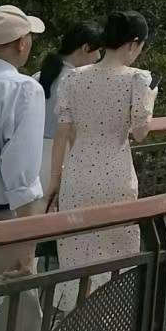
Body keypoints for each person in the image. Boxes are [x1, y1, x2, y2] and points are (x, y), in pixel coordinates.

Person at [47, 11, 156, 304]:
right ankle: (110, 317)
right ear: (133, 43)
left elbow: (62, 133)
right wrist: (150, 97)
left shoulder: (74, 77)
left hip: (77, 175)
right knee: (115, 257)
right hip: (116, 176)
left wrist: (55, 180)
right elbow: (140, 132)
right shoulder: (137, 79)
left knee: (76, 255)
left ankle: (75, 315)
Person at [0, 4, 47, 331]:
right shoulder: (23, 89)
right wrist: (28, 244)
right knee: (19, 330)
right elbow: (23, 175)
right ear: (21, 43)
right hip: (3, 222)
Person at [37, 21, 103, 230]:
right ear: (85, 48)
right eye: (97, 50)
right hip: (61, 159)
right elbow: (76, 132)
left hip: (33, 158)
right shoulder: (78, 82)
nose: (98, 57)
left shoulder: (38, 77)